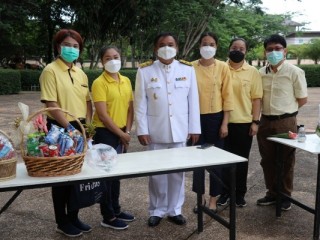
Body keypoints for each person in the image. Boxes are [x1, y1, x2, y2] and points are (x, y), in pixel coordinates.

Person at [134, 32, 201, 227]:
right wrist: (142, 130)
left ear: (177, 48)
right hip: (155, 131)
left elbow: (193, 102)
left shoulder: (187, 70)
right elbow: (140, 104)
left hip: (180, 130)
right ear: (155, 49)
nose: (166, 47)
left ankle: (175, 210)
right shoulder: (145, 71)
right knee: (157, 174)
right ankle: (157, 210)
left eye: (170, 44)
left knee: (177, 173)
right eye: (162, 44)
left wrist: (194, 128)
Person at [39, 29, 93, 237]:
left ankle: (73, 216)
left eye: (76, 46)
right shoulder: (50, 70)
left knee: (76, 176)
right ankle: (61, 221)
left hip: (79, 128)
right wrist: (71, 129)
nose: (72, 49)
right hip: (60, 129)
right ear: (58, 46)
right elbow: (51, 104)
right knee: (61, 177)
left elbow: (87, 102)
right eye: (67, 45)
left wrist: (86, 127)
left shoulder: (81, 73)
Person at [256, 34, 308, 211]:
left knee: (286, 160)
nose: (273, 52)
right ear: (265, 53)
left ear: (285, 51)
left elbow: (302, 99)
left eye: (277, 49)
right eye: (270, 49)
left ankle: (285, 196)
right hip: (265, 122)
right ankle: (271, 193)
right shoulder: (260, 73)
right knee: (267, 160)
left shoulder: (295, 72)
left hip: (286, 122)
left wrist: (287, 114)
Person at [91, 46, 135, 230]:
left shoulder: (125, 80)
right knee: (106, 177)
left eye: (116, 56)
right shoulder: (99, 83)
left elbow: (130, 108)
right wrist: (121, 134)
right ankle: (107, 216)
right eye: (107, 58)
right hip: (105, 133)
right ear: (102, 61)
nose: (112, 60)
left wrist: (128, 132)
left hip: (122, 132)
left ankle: (116, 210)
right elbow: (102, 115)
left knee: (116, 175)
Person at [191, 32, 234, 213]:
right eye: (204, 43)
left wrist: (225, 123)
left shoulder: (223, 67)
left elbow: (228, 96)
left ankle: (213, 200)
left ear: (216, 47)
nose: (207, 47)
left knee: (215, 162)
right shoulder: (190, 67)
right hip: (194, 119)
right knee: (197, 162)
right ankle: (199, 199)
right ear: (199, 46)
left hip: (216, 119)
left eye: (211, 44)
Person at [218, 38, 263, 207]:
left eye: (241, 48)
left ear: (246, 51)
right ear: (228, 49)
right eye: (234, 47)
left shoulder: (252, 72)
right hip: (222, 122)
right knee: (223, 161)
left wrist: (255, 122)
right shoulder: (220, 68)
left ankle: (239, 193)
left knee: (241, 160)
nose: (237, 50)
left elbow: (257, 99)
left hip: (244, 124)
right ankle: (224, 192)